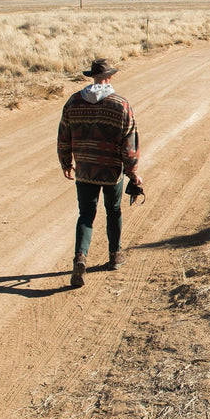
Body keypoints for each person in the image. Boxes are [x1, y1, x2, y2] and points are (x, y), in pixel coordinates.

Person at [57, 57, 144, 287]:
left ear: (92, 77)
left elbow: (63, 135)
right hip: (111, 170)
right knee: (113, 210)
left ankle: (80, 258)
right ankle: (115, 255)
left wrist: (66, 162)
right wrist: (133, 172)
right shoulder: (120, 105)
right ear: (110, 77)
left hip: (84, 169)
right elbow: (129, 143)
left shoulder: (73, 102)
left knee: (86, 214)